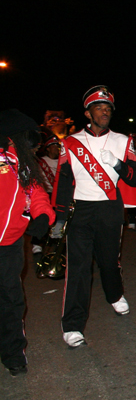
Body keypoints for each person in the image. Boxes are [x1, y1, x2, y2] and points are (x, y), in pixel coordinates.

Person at [53, 86, 136, 348]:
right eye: (99, 107)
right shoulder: (70, 143)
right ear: (87, 112)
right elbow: (63, 181)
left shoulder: (123, 141)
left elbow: (135, 178)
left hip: (109, 208)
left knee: (108, 261)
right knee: (78, 269)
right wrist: (58, 219)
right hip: (80, 210)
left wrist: (117, 164)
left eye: (108, 108)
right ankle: (72, 325)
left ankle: (114, 295)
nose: (105, 112)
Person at [0, 109, 55, 376]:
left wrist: (43, 216)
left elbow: (36, 191)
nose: (36, 148)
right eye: (34, 141)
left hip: (10, 245)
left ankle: (13, 353)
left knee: (11, 300)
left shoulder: (22, 163)